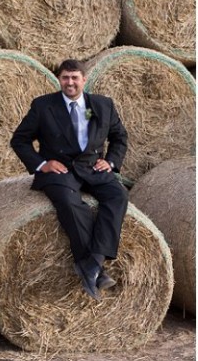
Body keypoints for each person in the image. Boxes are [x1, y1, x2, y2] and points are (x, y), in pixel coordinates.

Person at [11, 59, 129, 301]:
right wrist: (42, 164)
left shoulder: (102, 105)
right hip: (60, 170)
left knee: (118, 196)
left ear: (84, 79)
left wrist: (111, 162)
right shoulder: (43, 106)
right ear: (59, 79)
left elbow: (119, 137)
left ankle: (94, 262)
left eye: (75, 78)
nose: (70, 82)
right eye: (65, 77)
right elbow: (19, 140)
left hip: (92, 167)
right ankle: (93, 266)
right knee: (69, 202)